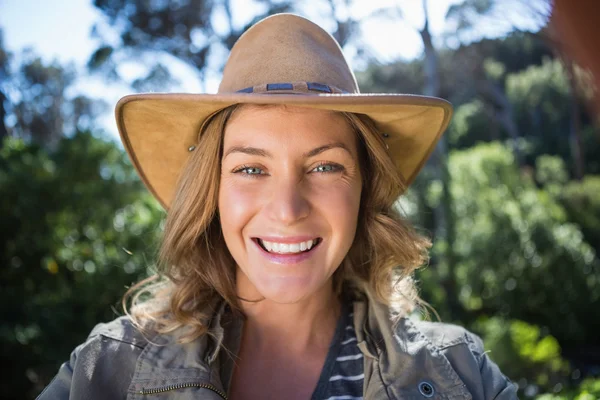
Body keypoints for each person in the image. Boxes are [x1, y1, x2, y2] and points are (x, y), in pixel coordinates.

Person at [38, 13, 517, 400]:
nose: (287, 209)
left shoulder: (460, 372)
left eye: (326, 167)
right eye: (250, 169)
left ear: (364, 190)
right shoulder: (106, 370)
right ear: (213, 191)